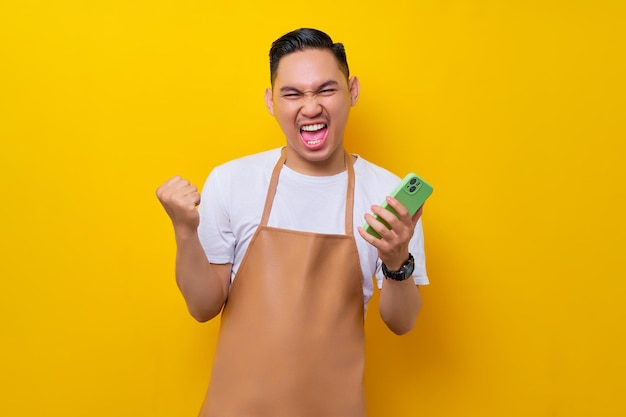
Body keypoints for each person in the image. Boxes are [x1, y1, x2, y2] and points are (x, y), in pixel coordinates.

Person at [156, 28, 429, 417]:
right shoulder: (233, 180)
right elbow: (203, 307)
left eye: (326, 90)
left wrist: (397, 260)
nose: (311, 107)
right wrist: (185, 232)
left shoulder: (387, 194)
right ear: (271, 101)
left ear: (352, 90)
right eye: (293, 93)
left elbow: (402, 322)